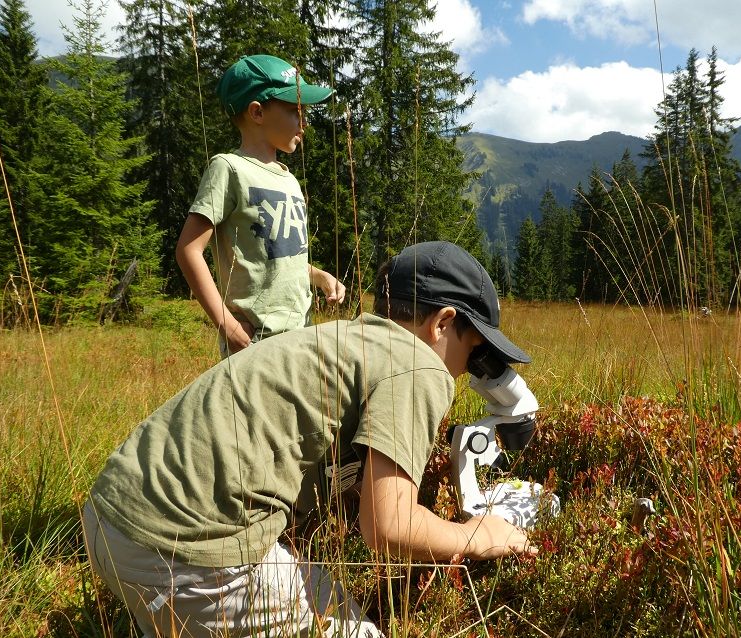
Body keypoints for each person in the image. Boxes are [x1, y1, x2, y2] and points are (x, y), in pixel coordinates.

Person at [83, 241, 535, 637]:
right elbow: (387, 527)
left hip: (110, 518)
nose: (465, 371)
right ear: (442, 323)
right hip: (185, 551)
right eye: (473, 351)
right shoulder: (419, 364)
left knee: (315, 587)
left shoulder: (342, 341)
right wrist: (477, 535)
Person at [176, 54, 346, 357]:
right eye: (295, 111)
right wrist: (227, 325)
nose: (303, 122)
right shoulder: (228, 168)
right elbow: (188, 250)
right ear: (257, 112)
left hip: (301, 339)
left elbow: (276, 257)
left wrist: (319, 276)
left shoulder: (289, 180)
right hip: (254, 346)